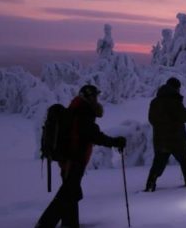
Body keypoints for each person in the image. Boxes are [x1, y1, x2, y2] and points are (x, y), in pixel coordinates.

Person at [36, 85, 127, 228]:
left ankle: (70, 224)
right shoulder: (83, 112)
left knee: (71, 192)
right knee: (67, 193)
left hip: (68, 159)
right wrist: (115, 142)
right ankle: (45, 224)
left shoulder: (76, 108)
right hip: (74, 160)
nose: (97, 99)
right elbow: (94, 135)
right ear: (88, 97)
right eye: (95, 96)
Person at [145, 77, 186, 191]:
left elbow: (151, 120)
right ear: (176, 88)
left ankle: (150, 186)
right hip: (176, 140)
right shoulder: (174, 102)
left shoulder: (155, 102)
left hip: (160, 140)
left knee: (158, 165)